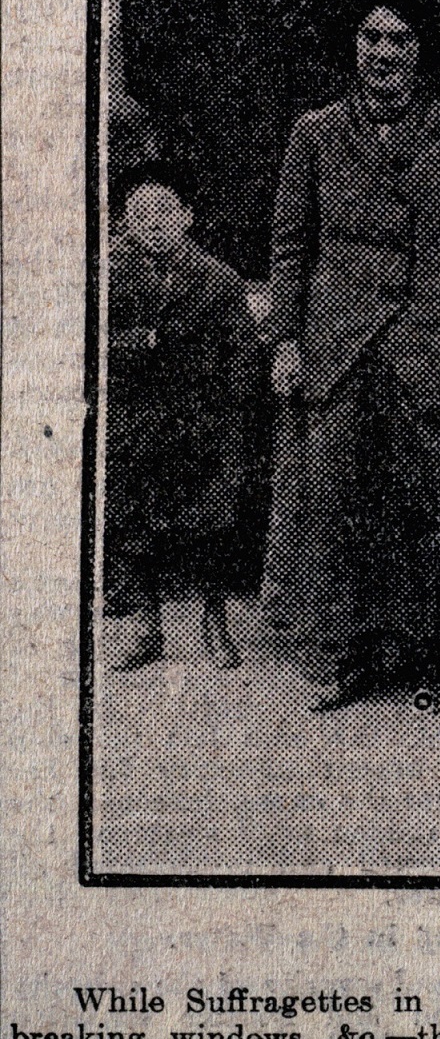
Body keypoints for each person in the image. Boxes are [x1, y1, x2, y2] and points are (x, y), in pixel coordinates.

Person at [266, 0, 440, 713]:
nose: (384, 53)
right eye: (372, 38)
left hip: (432, 343)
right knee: (340, 505)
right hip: (340, 346)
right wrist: (285, 336)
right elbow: (289, 244)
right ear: (354, 46)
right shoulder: (314, 132)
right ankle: (353, 655)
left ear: (421, 51)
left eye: (399, 40)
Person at [105, 159, 259, 672]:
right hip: (136, 417)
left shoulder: (218, 279)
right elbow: (90, 346)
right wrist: (143, 343)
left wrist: (228, 409)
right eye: (140, 212)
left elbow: (241, 353)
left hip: (203, 421)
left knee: (209, 524)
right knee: (135, 522)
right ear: (124, 220)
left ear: (187, 217)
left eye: (165, 211)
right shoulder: (108, 276)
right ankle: (147, 625)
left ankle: (214, 619)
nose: (153, 221)